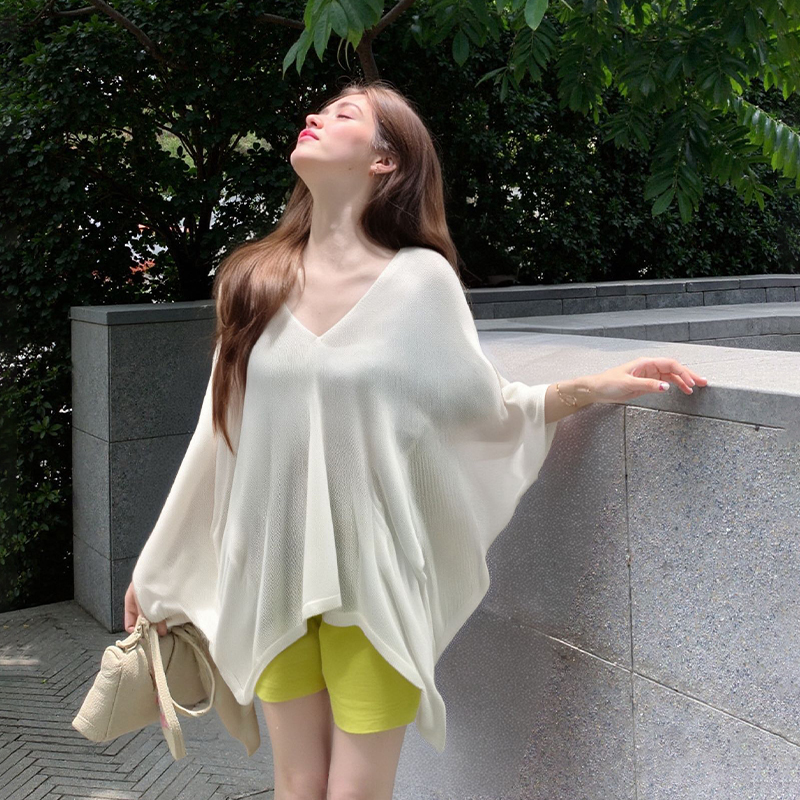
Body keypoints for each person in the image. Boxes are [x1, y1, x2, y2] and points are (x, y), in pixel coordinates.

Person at [125, 79, 707, 800]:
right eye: (321, 109)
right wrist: (159, 570)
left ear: (385, 161)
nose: (314, 117)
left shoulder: (420, 283)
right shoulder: (254, 279)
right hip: (270, 571)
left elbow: (483, 410)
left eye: (343, 114)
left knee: (356, 792)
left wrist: (589, 387)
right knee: (297, 784)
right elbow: (216, 442)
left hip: (376, 581)